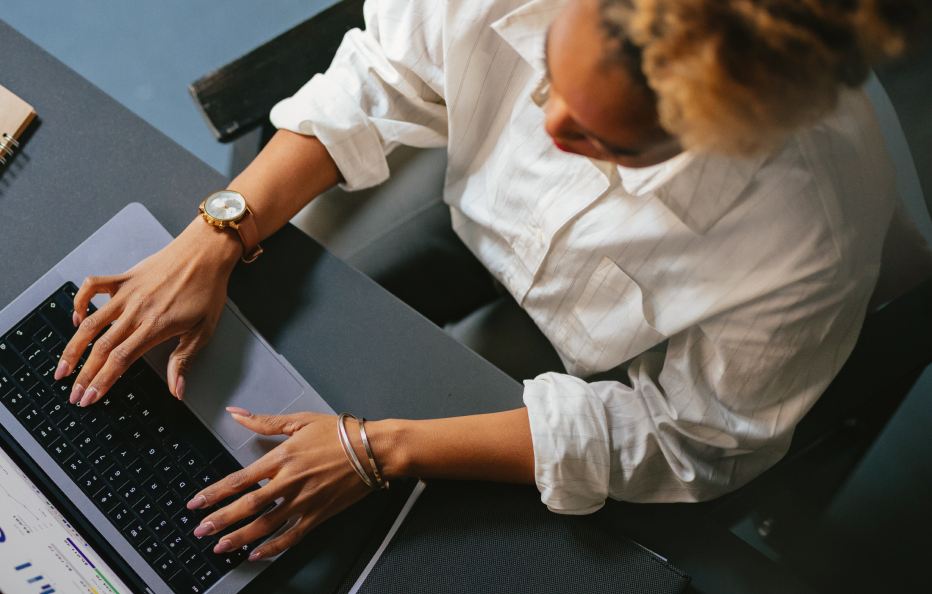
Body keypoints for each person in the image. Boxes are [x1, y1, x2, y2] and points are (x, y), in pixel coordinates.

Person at [54, 0, 927, 562]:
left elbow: (688, 437)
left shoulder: (806, 238)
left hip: (623, 351)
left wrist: (382, 448)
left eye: (605, 142)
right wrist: (218, 231)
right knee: (298, 353)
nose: (546, 128)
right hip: (472, 211)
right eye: (550, 69)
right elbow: (386, 76)